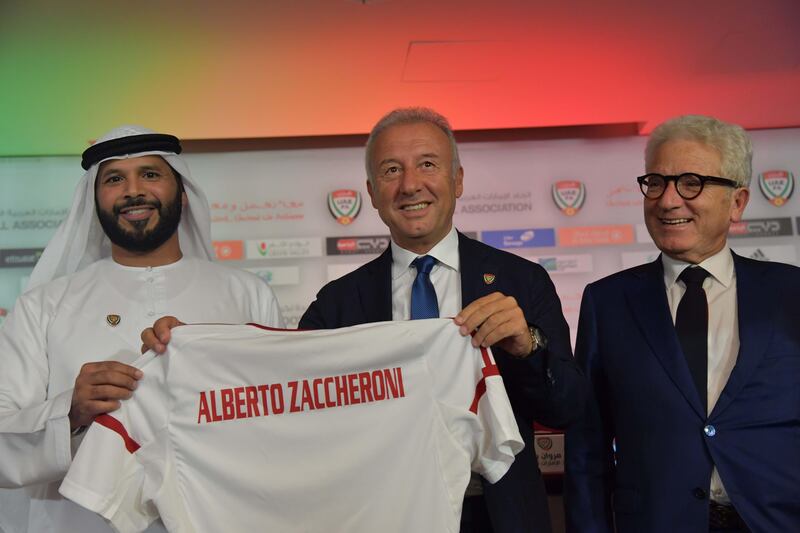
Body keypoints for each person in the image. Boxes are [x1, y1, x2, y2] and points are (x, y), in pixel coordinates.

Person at [298, 107, 585, 532]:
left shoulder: (521, 280)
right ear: (372, 192)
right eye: (391, 170)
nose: (410, 184)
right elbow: (298, 417)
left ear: (459, 180)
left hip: (498, 516)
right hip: (383, 517)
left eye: (428, 164)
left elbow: (568, 407)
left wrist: (528, 345)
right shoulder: (337, 304)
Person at [0, 125, 284, 533]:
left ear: (182, 193)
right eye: (114, 179)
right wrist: (70, 411)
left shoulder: (247, 296)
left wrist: (212, 367)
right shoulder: (42, 307)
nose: (133, 190)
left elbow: (279, 419)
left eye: (150, 174)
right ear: (94, 201)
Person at [564, 115, 800, 533]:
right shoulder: (608, 301)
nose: (668, 200)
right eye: (656, 182)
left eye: (691, 182)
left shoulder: (791, 292)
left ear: (738, 201)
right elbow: (588, 447)